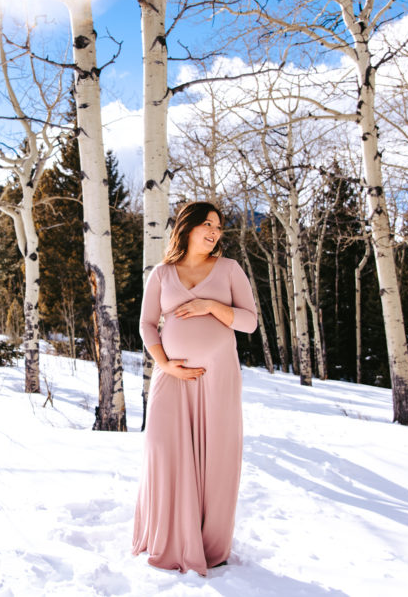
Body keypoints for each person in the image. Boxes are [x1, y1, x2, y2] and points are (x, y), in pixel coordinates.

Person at [132, 201, 258, 575]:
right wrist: (164, 363)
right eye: (207, 224)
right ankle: (167, 538)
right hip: (170, 379)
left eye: (218, 226)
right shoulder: (162, 273)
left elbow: (249, 322)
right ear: (186, 227)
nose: (214, 231)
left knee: (216, 456)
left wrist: (210, 306)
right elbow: (146, 324)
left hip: (218, 379)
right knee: (163, 450)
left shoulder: (229, 270)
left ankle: (208, 545)